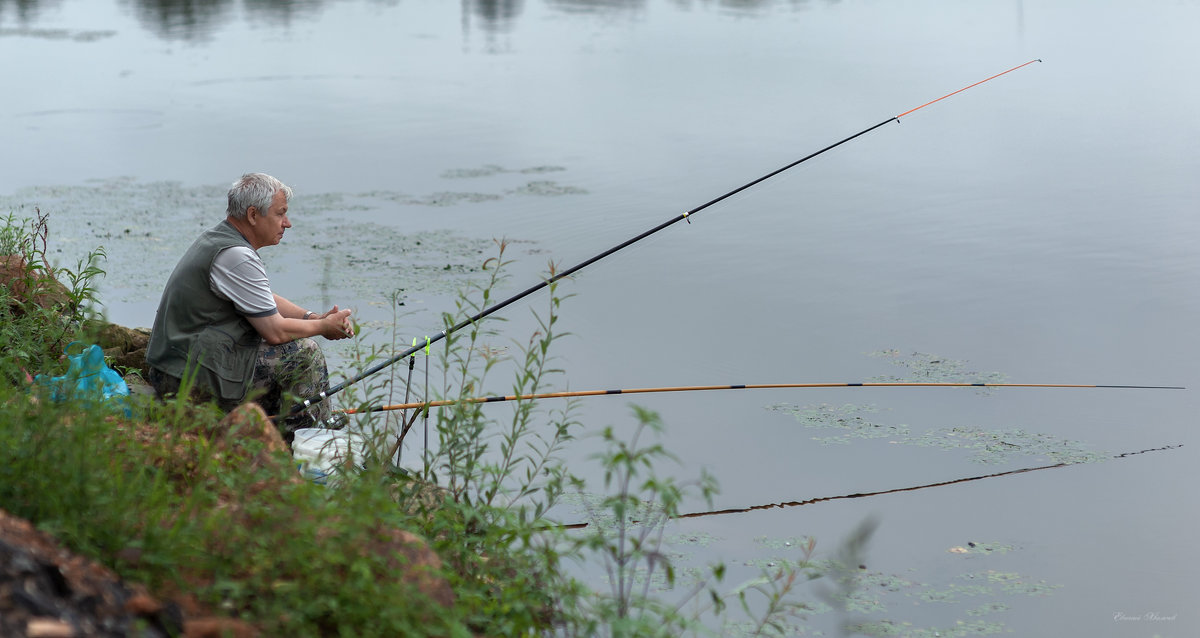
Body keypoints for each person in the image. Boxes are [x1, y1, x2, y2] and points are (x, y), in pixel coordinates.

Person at [145, 172, 354, 441]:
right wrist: (323, 327)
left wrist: (311, 316)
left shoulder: (220, 239)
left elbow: (263, 298)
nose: (287, 223)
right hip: (185, 379)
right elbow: (275, 331)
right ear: (254, 215)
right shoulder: (236, 255)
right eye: (280, 214)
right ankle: (309, 442)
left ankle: (286, 432)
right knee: (304, 355)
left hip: (180, 365)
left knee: (286, 352)